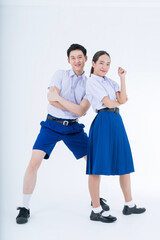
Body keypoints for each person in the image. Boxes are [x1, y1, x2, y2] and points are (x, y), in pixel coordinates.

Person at [16, 44, 109, 224]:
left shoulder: (90, 83)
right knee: (34, 162)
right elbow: (51, 99)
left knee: (94, 162)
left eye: (80, 57)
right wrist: (67, 105)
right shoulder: (59, 74)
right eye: (73, 57)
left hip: (73, 128)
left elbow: (81, 111)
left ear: (86, 59)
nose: (77, 60)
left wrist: (59, 100)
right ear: (68, 60)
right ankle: (24, 207)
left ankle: (95, 200)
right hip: (51, 125)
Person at [86, 50, 146, 223]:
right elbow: (109, 103)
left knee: (124, 162)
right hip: (103, 120)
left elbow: (124, 99)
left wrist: (122, 78)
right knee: (97, 166)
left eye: (108, 63)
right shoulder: (92, 82)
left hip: (116, 120)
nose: (105, 66)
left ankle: (129, 204)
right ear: (94, 64)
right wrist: (119, 101)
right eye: (101, 63)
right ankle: (96, 209)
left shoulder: (110, 82)